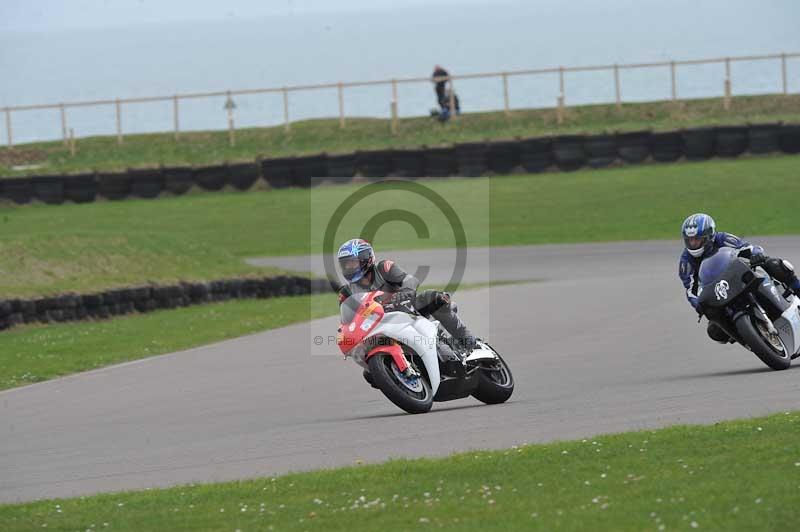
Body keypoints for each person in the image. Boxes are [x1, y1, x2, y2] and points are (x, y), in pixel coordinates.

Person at [336, 238, 478, 353]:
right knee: (369, 375)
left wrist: (404, 293)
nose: (348, 268)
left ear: (366, 259)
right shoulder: (345, 292)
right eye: (345, 264)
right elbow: (347, 320)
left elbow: (409, 280)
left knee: (435, 297)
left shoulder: (384, 267)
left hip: (405, 309)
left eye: (352, 263)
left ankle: (470, 342)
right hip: (377, 326)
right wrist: (344, 334)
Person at [678, 213, 800, 343]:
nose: (693, 243)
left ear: (709, 235)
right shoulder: (686, 262)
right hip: (718, 292)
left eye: (697, 239)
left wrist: (756, 255)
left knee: (776, 265)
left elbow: (747, 247)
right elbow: (691, 289)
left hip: (738, 274)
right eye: (689, 240)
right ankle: (749, 339)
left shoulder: (722, 238)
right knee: (714, 330)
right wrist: (698, 303)